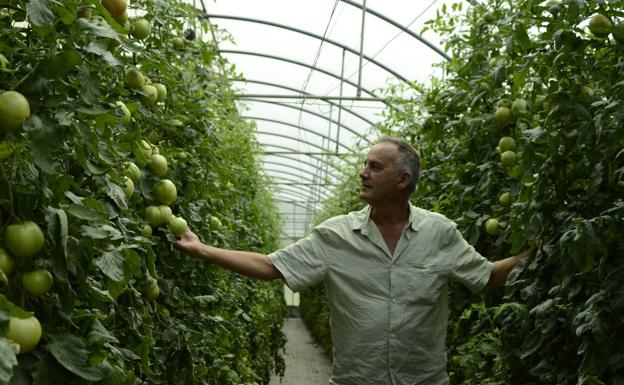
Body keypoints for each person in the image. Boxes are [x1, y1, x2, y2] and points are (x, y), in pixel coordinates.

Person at [175, 135, 535, 385]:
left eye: (375, 167)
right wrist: (201, 248)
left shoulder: (439, 234)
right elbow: (272, 267)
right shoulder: (336, 236)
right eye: (364, 164)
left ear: (402, 179)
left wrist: (539, 251)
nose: (363, 172)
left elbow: (489, 277)